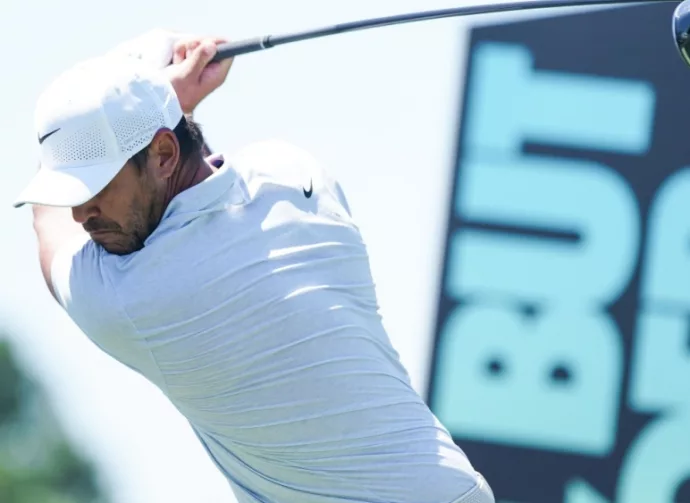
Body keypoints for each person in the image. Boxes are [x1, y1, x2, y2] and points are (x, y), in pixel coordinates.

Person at [14, 31, 495, 503]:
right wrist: (161, 106)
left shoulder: (133, 299)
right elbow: (189, 179)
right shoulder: (292, 172)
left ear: (163, 154)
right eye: (71, 194)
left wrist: (170, 98)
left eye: (95, 188)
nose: (82, 213)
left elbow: (48, 225)